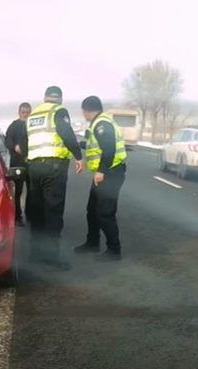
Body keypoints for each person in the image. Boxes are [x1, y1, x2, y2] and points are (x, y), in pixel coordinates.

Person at [27, 86, 83, 271]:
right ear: (60, 99)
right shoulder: (58, 111)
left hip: (34, 168)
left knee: (37, 211)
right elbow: (66, 134)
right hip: (54, 167)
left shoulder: (34, 114)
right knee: (53, 212)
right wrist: (78, 155)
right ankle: (51, 258)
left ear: (45, 97)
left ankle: (35, 255)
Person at [74, 96, 127, 261]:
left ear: (86, 110)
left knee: (105, 213)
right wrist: (81, 145)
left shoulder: (102, 124)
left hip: (109, 174)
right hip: (103, 173)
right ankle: (92, 242)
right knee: (92, 210)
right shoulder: (98, 123)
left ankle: (114, 250)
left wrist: (101, 171)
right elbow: (97, 146)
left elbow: (109, 148)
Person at [5, 102, 32, 226]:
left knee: (33, 191)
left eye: (28, 112)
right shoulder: (14, 126)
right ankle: (17, 217)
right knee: (17, 191)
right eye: (23, 112)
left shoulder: (33, 126)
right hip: (17, 163)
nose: (25, 114)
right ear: (19, 112)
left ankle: (31, 215)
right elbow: (7, 141)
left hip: (32, 163)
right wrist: (15, 147)